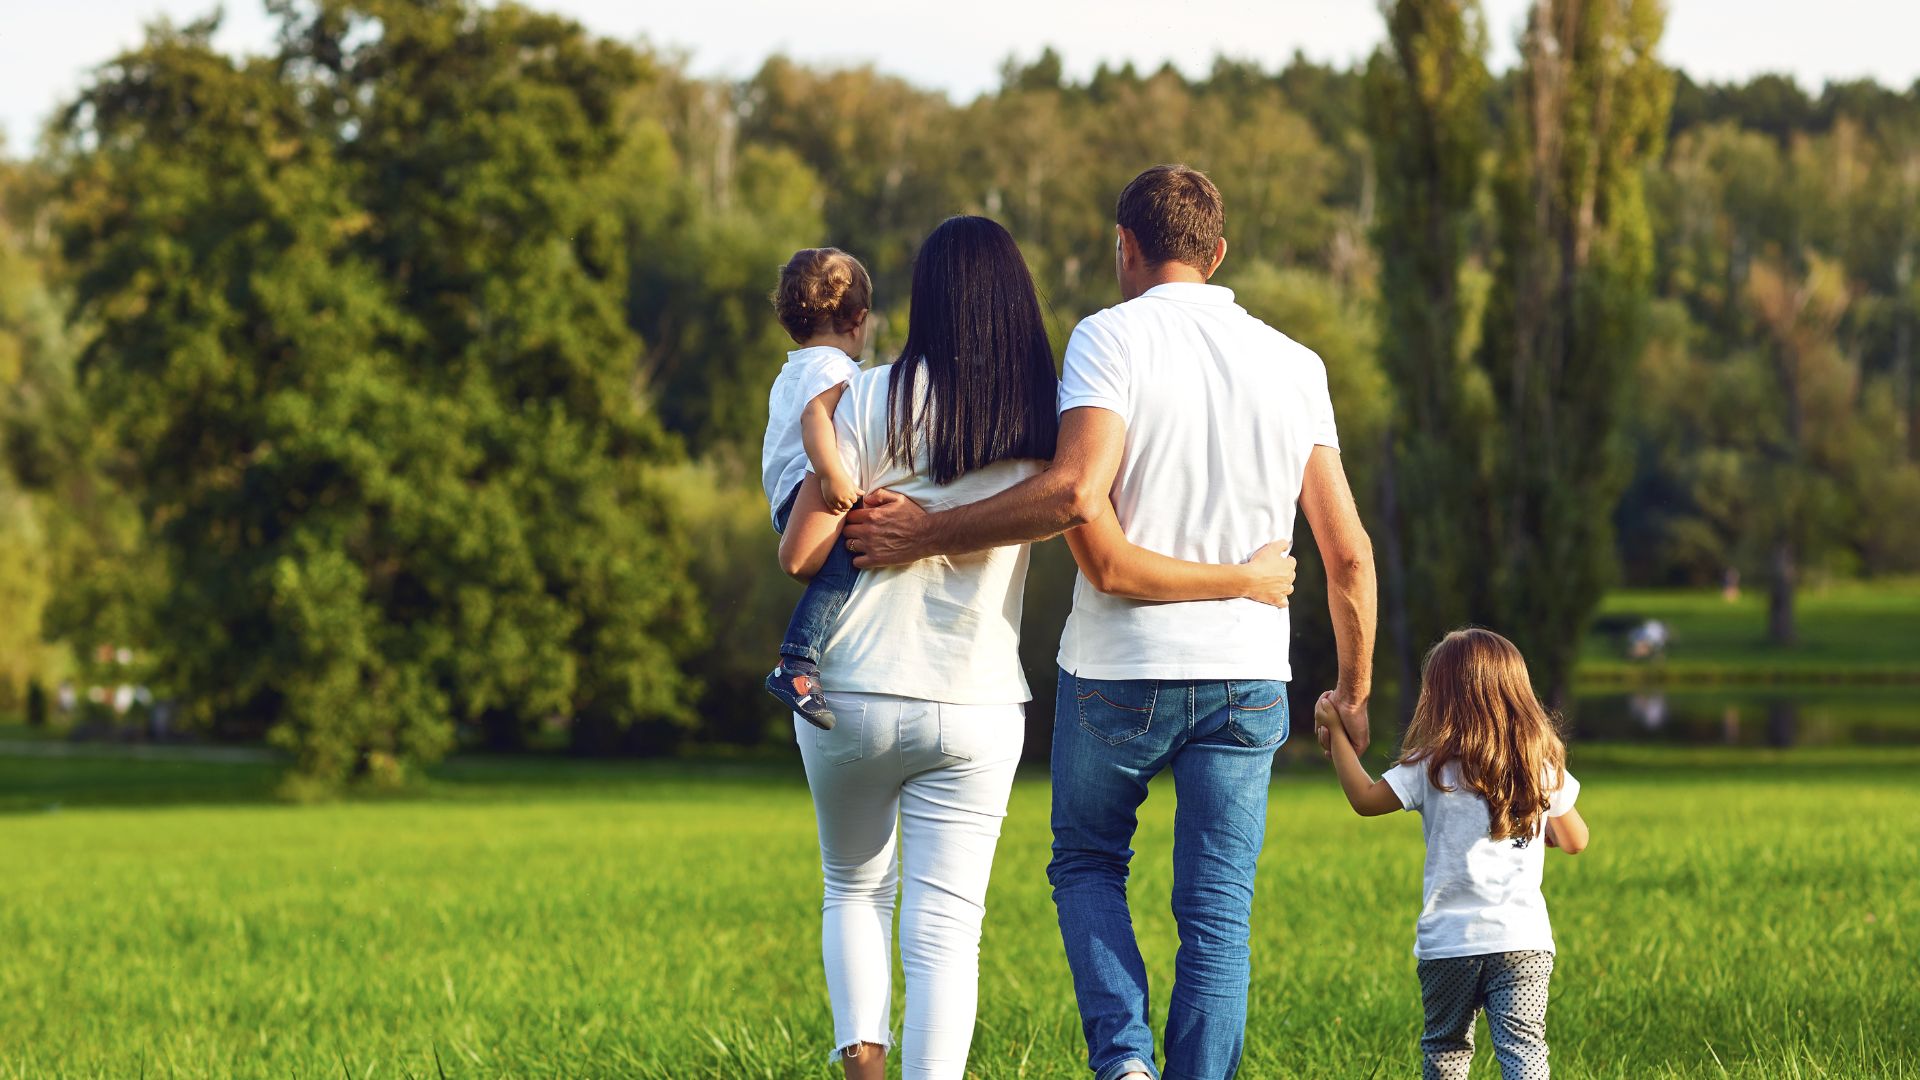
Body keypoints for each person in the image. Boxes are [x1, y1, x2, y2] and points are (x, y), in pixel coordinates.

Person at [841, 164, 1378, 1080]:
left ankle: (1124, 1064)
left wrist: (925, 532)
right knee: (1217, 911)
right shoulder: (1297, 366)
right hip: (1249, 678)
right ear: (1219, 253)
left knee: (1089, 864)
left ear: (1124, 247)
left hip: (1118, 670)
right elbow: (1351, 557)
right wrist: (1353, 695)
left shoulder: (1108, 339)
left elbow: (1076, 496)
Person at [1317, 628, 1590, 1080]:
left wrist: (1335, 733)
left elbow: (1365, 800)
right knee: (1523, 1050)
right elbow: (1576, 839)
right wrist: (1541, 826)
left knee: (1447, 1049)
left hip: (1449, 946)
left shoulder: (1430, 765)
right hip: (1522, 942)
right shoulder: (1540, 766)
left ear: (1439, 697)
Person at [761, 247, 873, 729]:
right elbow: (815, 420)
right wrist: (831, 474)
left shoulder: (794, 369)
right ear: (859, 319)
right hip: (808, 492)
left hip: (784, 499)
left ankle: (807, 659)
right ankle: (798, 662)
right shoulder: (836, 368)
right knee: (847, 561)